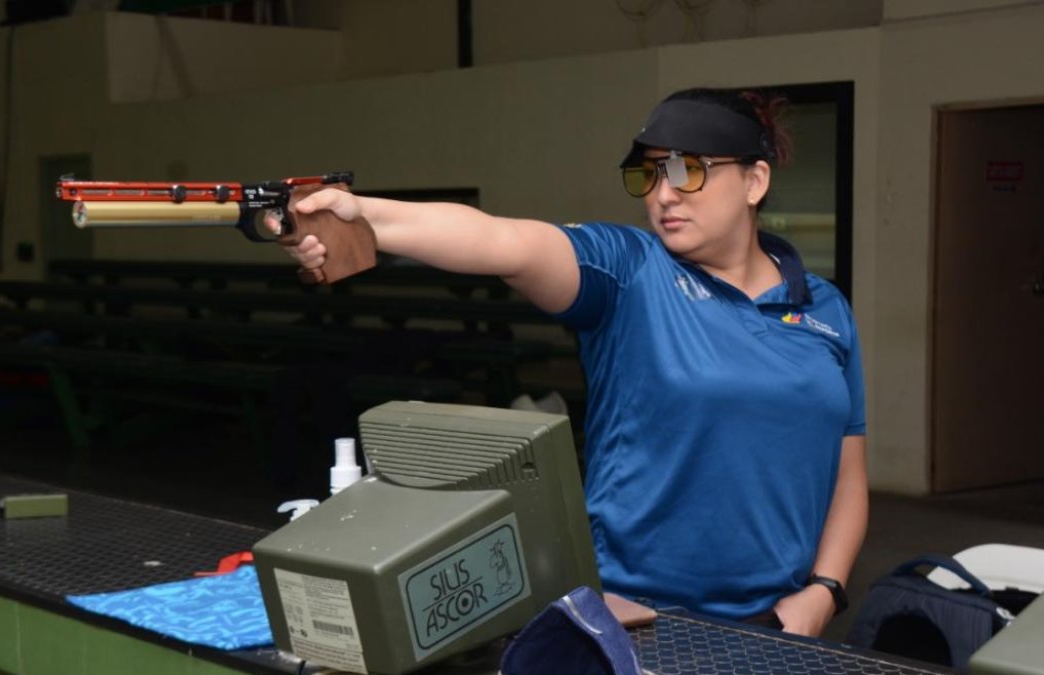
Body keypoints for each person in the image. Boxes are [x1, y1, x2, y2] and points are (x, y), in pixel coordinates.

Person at [268, 87, 868, 638]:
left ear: (754, 180)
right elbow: (500, 241)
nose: (663, 194)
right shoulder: (632, 271)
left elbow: (846, 470)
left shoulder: (826, 309)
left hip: (775, 627)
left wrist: (826, 591)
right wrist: (359, 214)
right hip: (634, 615)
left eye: (688, 171)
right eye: (649, 173)